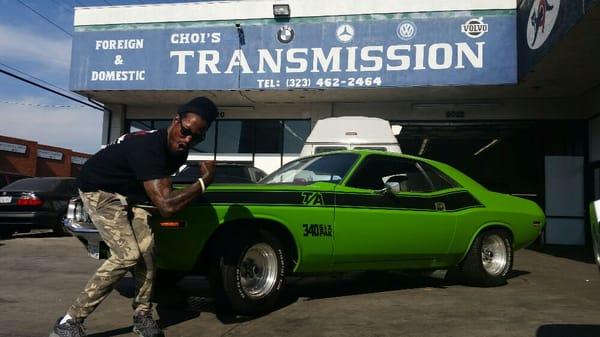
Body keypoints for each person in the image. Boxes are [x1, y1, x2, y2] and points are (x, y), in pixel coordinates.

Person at [50, 97, 218, 337]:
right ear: (176, 121)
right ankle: (68, 321)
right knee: (127, 255)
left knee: (147, 252)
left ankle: (142, 316)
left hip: (133, 194)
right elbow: (167, 207)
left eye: (197, 137)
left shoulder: (179, 153)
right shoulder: (149, 149)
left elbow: (162, 193)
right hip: (100, 189)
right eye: (185, 131)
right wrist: (203, 182)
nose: (188, 139)